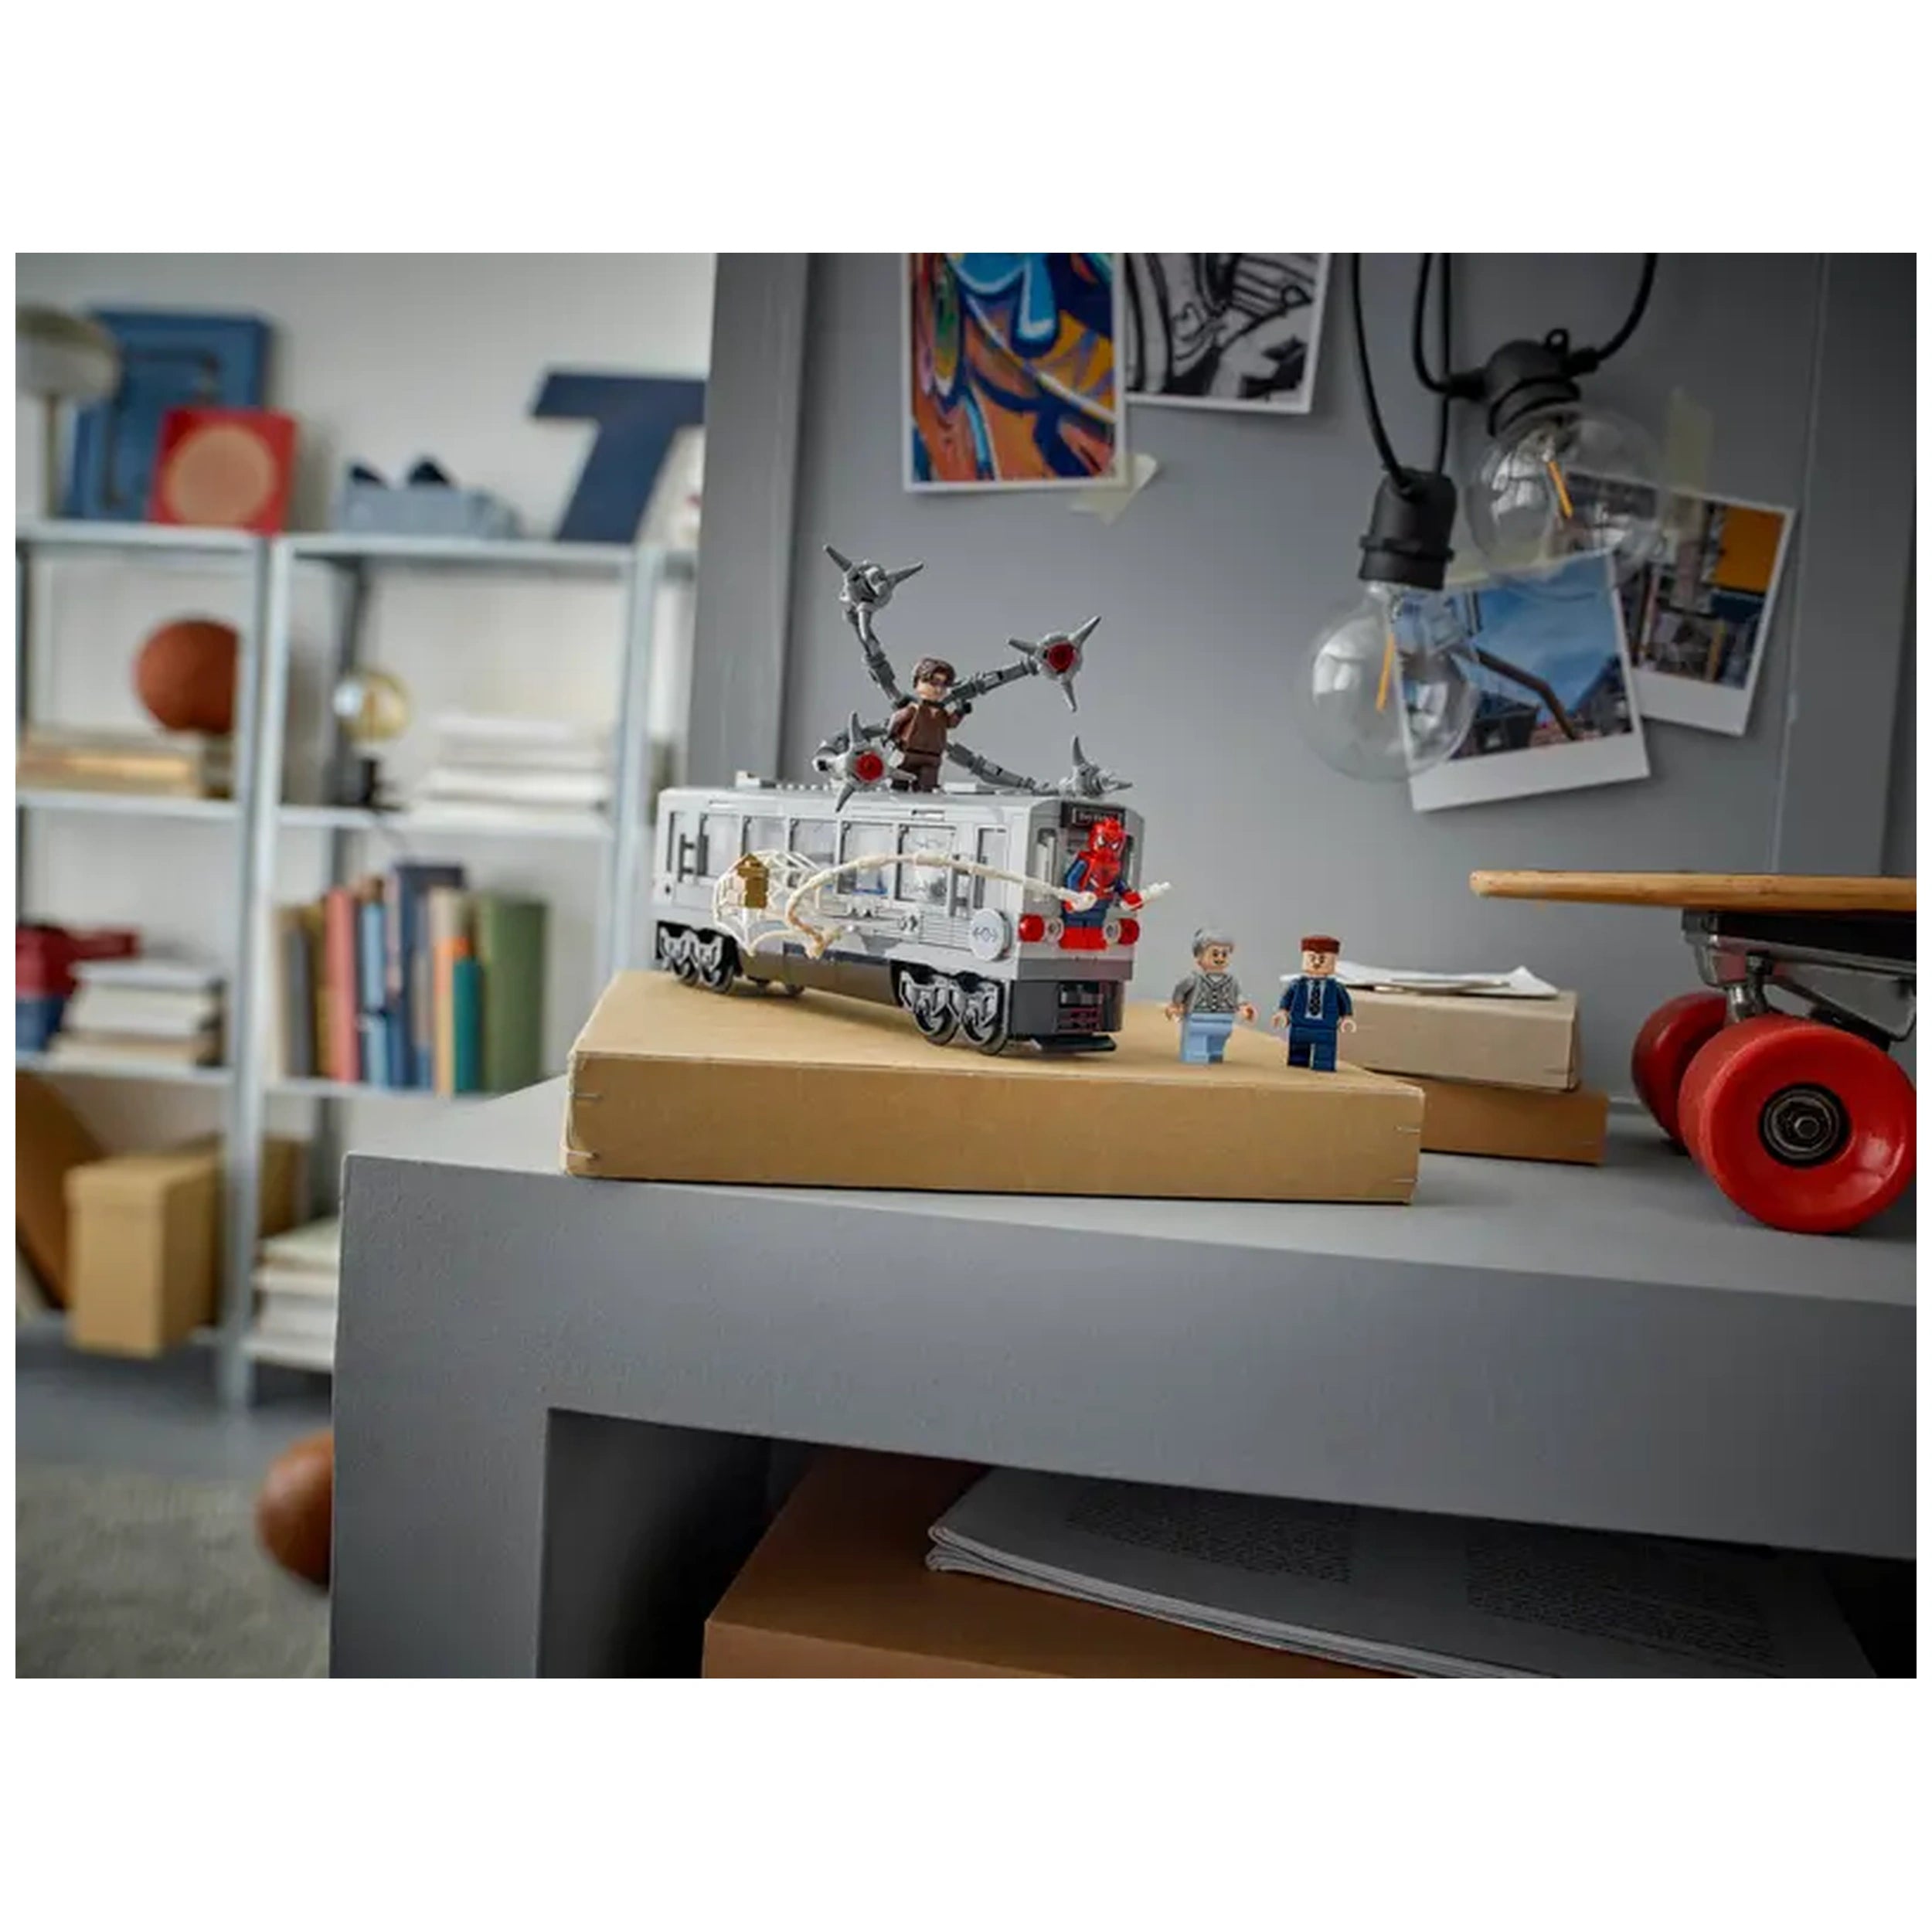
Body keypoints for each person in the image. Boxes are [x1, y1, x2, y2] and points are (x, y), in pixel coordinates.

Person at [1165, 927, 1256, 1064]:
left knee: (1218, 1041)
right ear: (1199, 957)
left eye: (1224, 954)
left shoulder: (1231, 981)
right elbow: (1180, 990)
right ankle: (1195, 1054)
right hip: (1197, 1017)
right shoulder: (1194, 979)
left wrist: (1244, 1007)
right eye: (1215, 954)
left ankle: (1215, 1053)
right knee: (1197, 1043)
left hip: (1224, 1018)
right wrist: (1176, 1005)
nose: (1220, 958)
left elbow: (1237, 995)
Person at [1272, 934, 1356, 1072]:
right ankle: (1299, 1063)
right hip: (1300, 1024)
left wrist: (1347, 1018)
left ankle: (1323, 1065)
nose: (1317, 963)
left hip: (1326, 1026)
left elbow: (1344, 1002)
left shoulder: (1336, 988)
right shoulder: (1297, 985)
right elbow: (1287, 999)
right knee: (1298, 1055)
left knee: (1325, 1055)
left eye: (1323, 959)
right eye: (1312, 958)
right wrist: (1283, 1013)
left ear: (1333, 961)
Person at [886, 657, 969, 792]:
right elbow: (896, 720)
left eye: (944, 685)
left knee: (927, 787)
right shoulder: (913, 709)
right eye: (934, 683)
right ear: (917, 682)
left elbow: (951, 723)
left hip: (932, 757)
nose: (939, 689)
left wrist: (960, 712)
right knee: (899, 785)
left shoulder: (941, 713)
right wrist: (892, 737)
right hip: (908, 754)